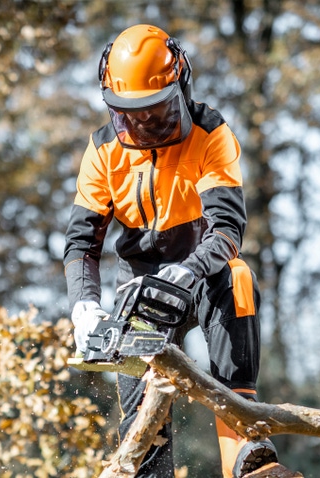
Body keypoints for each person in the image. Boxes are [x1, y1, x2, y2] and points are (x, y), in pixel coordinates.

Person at [63, 24, 278, 478]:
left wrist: (190, 269)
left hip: (202, 275)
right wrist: (84, 306)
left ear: (180, 88)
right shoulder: (103, 150)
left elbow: (227, 229)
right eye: (129, 114)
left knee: (238, 280)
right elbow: (82, 242)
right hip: (139, 289)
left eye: (155, 112)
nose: (142, 124)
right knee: (144, 425)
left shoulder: (208, 133)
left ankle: (244, 447)